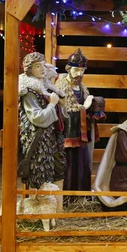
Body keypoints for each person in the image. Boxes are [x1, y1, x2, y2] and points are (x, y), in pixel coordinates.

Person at [18, 52, 66, 209]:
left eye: (43, 65)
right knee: (39, 175)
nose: (42, 69)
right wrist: (52, 105)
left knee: (58, 170)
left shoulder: (46, 89)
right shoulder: (29, 92)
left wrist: (60, 104)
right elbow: (37, 118)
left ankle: (58, 212)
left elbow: (60, 113)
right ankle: (37, 212)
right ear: (29, 69)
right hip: (39, 142)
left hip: (52, 138)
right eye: (37, 66)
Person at [55, 48, 95, 193]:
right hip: (68, 136)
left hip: (81, 135)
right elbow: (63, 111)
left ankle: (81, 196)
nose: (79, 74)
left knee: (82, 164)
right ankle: (67, 197)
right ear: (69, 69)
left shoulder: (82, 88)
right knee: (69, 165)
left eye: (82, 71)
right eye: (76, 70)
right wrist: (84, 107)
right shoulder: (61, 86)